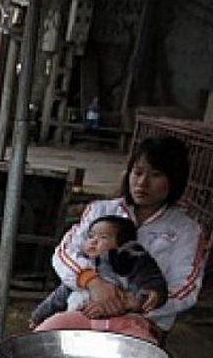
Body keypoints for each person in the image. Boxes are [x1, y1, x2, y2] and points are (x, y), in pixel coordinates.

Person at [37, 136, 206, 344]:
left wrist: (130, 301)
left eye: (156, 175)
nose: (142, 183)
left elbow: (185, 288)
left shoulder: (186, 229)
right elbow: (64, 254)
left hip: (142, 321)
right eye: (138, 172)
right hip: (83, 310)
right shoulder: (101, 210)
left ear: (175, 180)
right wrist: (93, 282)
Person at [29, 215, 168, 328]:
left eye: (103, 237)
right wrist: (38, 316)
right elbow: (57, 298)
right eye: (90, 236)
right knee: (48, 328)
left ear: (124, 243)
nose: (94, 241)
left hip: (119, 322)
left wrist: (150, 294)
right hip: (78, 319)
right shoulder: (82, 269)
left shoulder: (129, 261)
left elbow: (150, 280)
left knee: (142, 336)